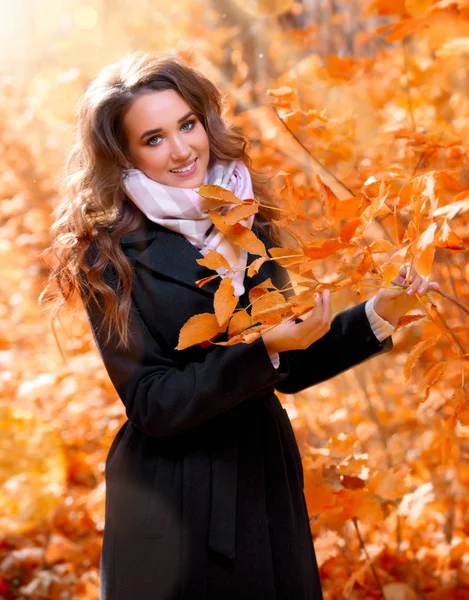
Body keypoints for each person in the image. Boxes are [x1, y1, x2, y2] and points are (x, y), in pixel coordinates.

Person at [40, 51, 440, 600]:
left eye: (187, 124)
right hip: (173, 491)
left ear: (205, 120)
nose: (182, 149)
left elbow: (290, 362)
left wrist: (379, 313)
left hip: (262, 472)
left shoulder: (249, 216)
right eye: (153, 138)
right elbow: (152, 402)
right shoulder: (108, 256)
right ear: (125, 155)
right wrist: (261, 351)